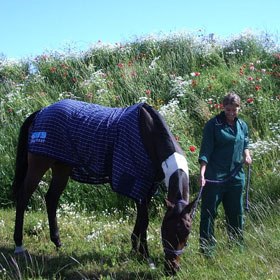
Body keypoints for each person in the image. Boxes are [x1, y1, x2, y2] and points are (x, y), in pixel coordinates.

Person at [198, 93, 252, 257]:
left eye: (234, 109)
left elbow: (245, 142)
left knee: (236, 213)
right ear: (223, 107)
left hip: (236, 177)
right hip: (214, 177)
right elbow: (205, 151)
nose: (231, 112)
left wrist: (247, 155)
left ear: (239, 108)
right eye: (228, 109)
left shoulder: (242, 125)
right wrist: (202, 173)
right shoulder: (213, 125)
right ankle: (207, 251)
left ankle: (236, 248)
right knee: (209, 213)